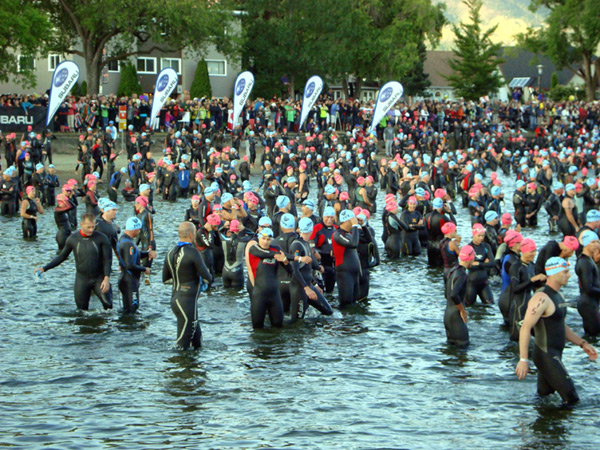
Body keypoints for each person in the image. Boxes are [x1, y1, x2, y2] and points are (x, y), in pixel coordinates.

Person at [516, 257, 598, 407]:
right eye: (565, 272)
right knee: (572, 398)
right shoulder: (541, 298)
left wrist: (582, 343)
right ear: (553, 273)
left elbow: (560, 325)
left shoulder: (558, 296)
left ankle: (541, 429)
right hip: (546, 355)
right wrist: (523, 360)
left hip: (555, 353)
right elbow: (525, 327)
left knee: (544, 399)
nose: (569, 275)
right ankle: (564, 429)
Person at [34, 213, 113, 311]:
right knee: (81, 311)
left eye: (93, 227)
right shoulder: (73, 239)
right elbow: (62, 256)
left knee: (108, 305)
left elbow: (107, 260)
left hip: (99, 278)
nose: (91, 230)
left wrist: (106, 279)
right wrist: (44, 268)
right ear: (81, 225)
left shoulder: (101, 238)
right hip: (82, 279)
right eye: (88, 227)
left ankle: (104, 324)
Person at [162, 222, 213, 349]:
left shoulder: (170, 252)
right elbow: (208, 277)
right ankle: (180, 367)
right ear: (191, 235)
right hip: (187, 302)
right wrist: (201, 281)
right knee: (182, 347)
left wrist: (181, 279)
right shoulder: (192, 252)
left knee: (197, 343)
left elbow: (165, 279)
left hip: (176, 300)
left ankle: (195, 367)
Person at [289, 217, 333, 321]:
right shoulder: (297, 245)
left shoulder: (306, 243)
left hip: (308, 285)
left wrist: (315, 283)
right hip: (300, 288)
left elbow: (310, 265)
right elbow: (294, 270)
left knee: (328, 312)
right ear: (311, 229)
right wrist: (306, 288)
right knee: (298, 322)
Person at [246, 227, 290, 328]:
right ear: (258, 238)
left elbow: (289, 270)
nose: (266, 242)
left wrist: (285, 261)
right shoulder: (254, 249)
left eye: (268, 239)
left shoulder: (276, 249)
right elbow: (266, 254)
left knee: (278, 327)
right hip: (259, 295)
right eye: (263, 239)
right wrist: (296, 258)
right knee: (257, 330)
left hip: (274, 295)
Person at [508, 238, 546, 342]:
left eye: (535, 251)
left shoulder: (531, 266)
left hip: (529, 305)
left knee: (533, 338)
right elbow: (515, 289)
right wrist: (532, 280)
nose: (534, 254)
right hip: (518, 307)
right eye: (531, 251)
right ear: (523, 251)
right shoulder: (516, 267)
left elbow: (535, 285)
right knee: (516, 340)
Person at [116, 217, 157, 313]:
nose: (139, 232)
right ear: (134, 229)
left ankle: (123, 326)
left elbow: (135, 254)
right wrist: (144, 269)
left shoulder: (124, 239)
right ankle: (130, 327)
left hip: (125, 279)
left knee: (127, 309)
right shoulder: (128, 244)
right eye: (138, 229)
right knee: (133, 309)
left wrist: (147, 253)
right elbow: (129, 265)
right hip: (130, 281)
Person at [444, 245, 475, 348]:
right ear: (470, 258)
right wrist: (462, 310)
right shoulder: (462, 274)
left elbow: (446, 294)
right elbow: (454, 294)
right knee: (463, 351)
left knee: (451, 352)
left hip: (447, 315)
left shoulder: (452, 270)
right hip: (456, 316)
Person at [332, 209, 362, 308]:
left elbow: (367, 239)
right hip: (344, 273)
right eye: (352, 220)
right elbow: (353, 244)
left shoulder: (349, 234)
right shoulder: (337, 234)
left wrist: (363, 225)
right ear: (345, 221)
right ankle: (343, 323)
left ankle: (352, 323)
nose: (354, 222)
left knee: (354, 303)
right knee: (346, 304)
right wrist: (355, 226)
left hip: (354, 273)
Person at [574, 230, 600, 336]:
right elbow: (588, 288)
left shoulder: (588, 260)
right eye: (592, 242)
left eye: (597, 242)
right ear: (585, 243)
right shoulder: (585, 262)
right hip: (587, 304)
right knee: (593, 336)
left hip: (590, 303)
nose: (596, 245)